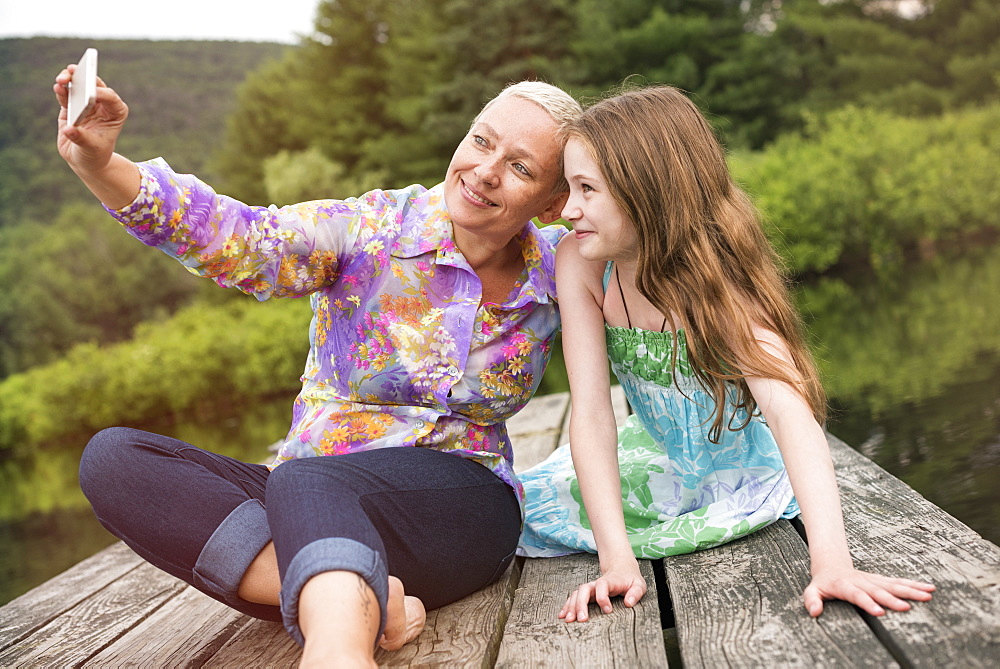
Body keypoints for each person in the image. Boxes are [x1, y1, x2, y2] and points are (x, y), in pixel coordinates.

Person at [54, 63, 581, 667]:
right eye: (482, 140)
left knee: (303, 480)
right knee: (114, 461)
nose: (485, 171)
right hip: (311, 497)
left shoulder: (560, 272)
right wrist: (100, 166)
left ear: (554, 200)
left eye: (520, 167)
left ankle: (336, 650)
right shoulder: (371, 229)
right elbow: (241, 239)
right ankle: (359, 596)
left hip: (457, 508)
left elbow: (662, 273)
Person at [516, 86, 936, 623]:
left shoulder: (713, 282)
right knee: (520, 506)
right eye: (568, 187)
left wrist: (832, 562)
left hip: (738, 468)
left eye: (587, 189)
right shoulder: (581, 263)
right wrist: (615, 558)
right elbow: (593, 410)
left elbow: (789, 413)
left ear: (647, 191)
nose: (568, 208)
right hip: (655, 456)